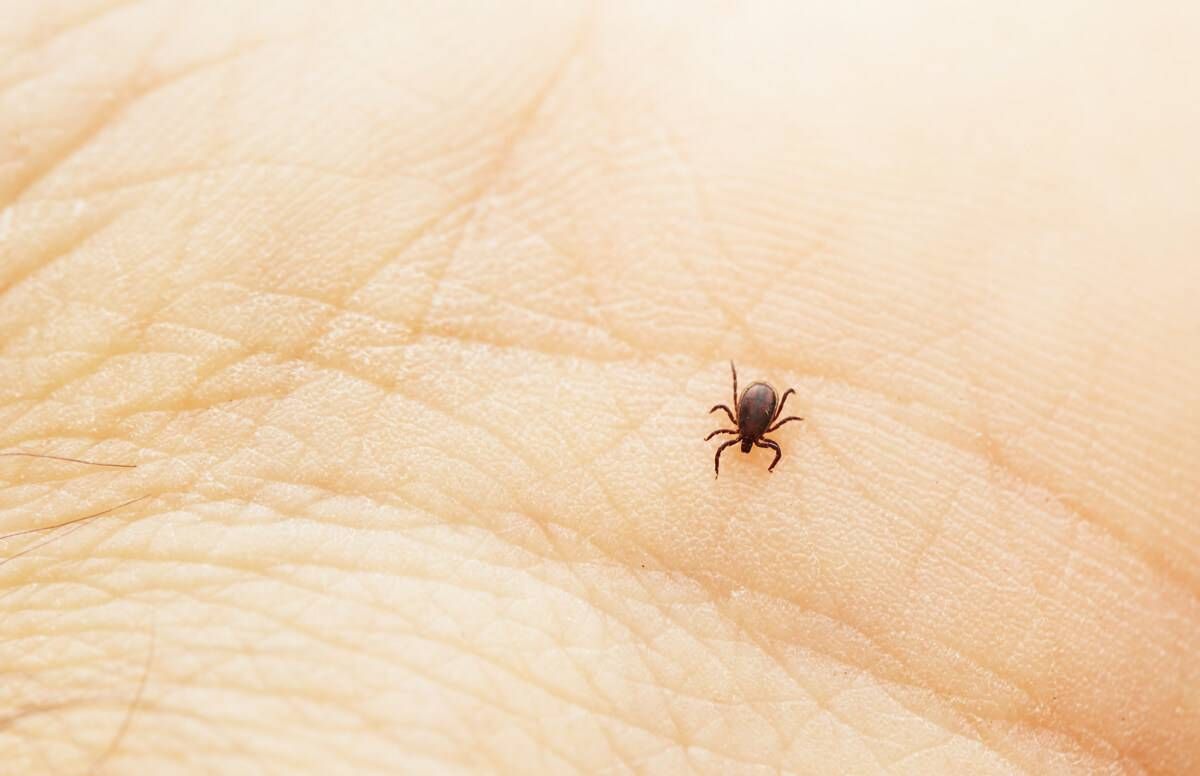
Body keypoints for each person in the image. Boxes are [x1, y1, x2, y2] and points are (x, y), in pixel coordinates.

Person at [2, 1, 1196, 772]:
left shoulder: (735, 415)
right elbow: (758, 418)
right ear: (747, 424)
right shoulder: (752, 422)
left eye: (750, 426)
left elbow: (738, 412)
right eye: (748, 425)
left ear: (743, 424)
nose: (749, 430)